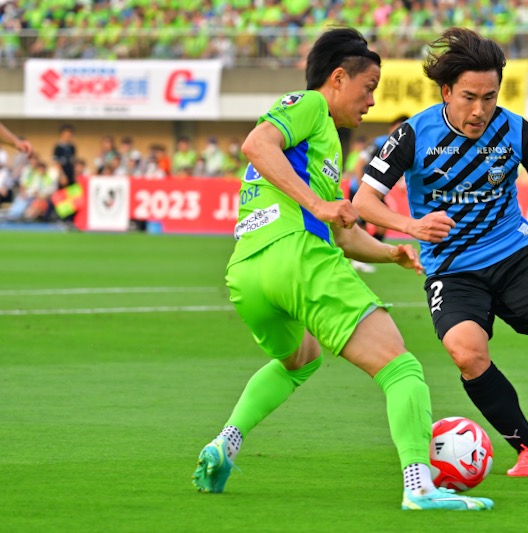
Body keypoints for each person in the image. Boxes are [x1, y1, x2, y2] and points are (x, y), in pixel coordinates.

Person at [191, 27, 493, 512]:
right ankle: (419, 486)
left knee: (300, 359)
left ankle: (225, 442)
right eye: (369, 87)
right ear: (337, 78)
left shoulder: (324, 143)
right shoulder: (309, 105)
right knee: (402, 367)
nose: (371, 101)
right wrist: (317, 203)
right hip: (296, 258)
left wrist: (393, 249)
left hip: (249, 271)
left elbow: (344, 230)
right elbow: (255, 144)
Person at [353, 27, 528, 479]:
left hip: (514, 258)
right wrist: (411, 226)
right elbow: (364, 200)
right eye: (469, 97)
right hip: (452, 271)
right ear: (446, 91)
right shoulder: (412, 134)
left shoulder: (516, 130)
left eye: (490, 96)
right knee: (466, 352)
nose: (480, 109)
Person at [348, 115, 410, 273]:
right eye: (397, 128)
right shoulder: (379, 142)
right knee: (360, 225)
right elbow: (360, 163)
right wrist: (363, 188)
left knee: (379, 226)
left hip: (375, 193)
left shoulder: (404, 146)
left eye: (403, 128)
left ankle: (363, 257)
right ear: (391, 128)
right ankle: (359, 259)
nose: (400, 132)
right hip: (360, 189)